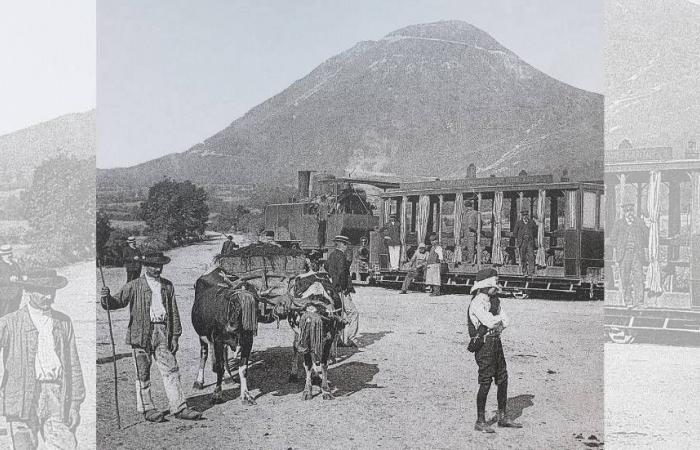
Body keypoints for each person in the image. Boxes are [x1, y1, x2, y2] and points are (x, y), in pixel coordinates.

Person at [100, 253, 202, 422]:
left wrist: (175, 335)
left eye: (160, 265)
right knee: (143, 372)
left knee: (171, 369)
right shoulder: (133, 286)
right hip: (140, 334)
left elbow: (174, 312)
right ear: (146, 265)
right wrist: (106, 297)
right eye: (154, 265)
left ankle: (179, 407)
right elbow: (115, 302)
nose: (157, 268)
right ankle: (147, 409)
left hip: (163, 332)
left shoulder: (167, 286)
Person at [0, 269, 85, 449]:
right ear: (28, 291)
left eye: (51, 291)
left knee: (65, 445)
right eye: (42, 291)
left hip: (56, 395)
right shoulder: (9, 322)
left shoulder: (63, 322)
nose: (48, 297)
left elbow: (73, 364)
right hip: (21, 399)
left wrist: (75, 404)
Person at [468, 268, 522, 433]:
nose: (497, 286)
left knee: (503, 378)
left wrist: (497, 321)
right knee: (485, 382)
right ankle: (480, 420)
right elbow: (490, 322)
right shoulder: (477, 302)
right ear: (486, 284)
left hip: (496, 343)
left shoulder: (494, 301)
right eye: (495, 282)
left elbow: (506, 321)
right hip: (484, 346)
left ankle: (502, 416)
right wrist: (497, 321)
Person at [610, 202, 648, 308]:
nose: (629, 213)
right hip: (624, 255)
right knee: (625, 279)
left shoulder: (639, 222)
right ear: (624, 212)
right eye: (627, 211)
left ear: (633, 211)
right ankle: (628, 301)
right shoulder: (619, 223)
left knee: (639, 278)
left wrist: (647, 226)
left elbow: (647, 236)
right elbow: (613, 238)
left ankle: (639, 302)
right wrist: (620, 248)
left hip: (637, 254)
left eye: (631, 210)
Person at [325, 236, 359, 347]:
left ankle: (338, 339)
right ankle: (351, 338)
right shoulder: (341, 256)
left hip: (333, 289)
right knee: (353, 313)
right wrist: (344, 287)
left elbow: (326, 266)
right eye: (345, 244)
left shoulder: (332, 255)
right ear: (340, 244)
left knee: (337, 313)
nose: (346, 246)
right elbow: (342, 274)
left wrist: (332, 277)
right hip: (341, 289)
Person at [0, 244, 26, 317]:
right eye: (6, 254)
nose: (9, 255)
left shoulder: (14, 264)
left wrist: (22, 277)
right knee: (4, 315)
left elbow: (19, 274)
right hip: (4, 296)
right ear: (2, 255)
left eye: (10, 253)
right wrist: (8, 279)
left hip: (16, 294)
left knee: (14, 314)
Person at [513, 210, 538, 276]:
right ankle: (524, 272)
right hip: (522, 242)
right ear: (522, 216)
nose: (525, 216)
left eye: (526, 215)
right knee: (523, 257)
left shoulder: (532, 222)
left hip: (529, 242)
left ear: (528, 215)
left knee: (531, 257)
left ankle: (531, 272)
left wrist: (531, 237)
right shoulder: (519, 223)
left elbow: (535, 231)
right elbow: (515, 232)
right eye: (523, 215)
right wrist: (519, 239)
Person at [462, 200, 481, 264]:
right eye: (467, 206)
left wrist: (477, 230)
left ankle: (472, 261)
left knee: (471, 247)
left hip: (472, 233)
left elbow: (480, 222)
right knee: (466, 247)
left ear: (471, 206)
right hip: (466, 233)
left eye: (469, 206)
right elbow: (464, 224)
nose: (468, 208)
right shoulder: (464, 214)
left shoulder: (475, 213)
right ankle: (469, 259)